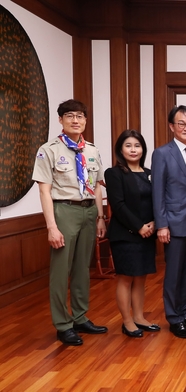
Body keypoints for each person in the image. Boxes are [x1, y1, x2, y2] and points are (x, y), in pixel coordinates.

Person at [32, 99, 108, 346]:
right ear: (61, 120)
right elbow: (44, 191)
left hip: (88, 212)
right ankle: (63, 325)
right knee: (60, 270)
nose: (75, 120)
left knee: (81, 269)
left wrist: (100, 217)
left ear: (85, 120)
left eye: (80, 116)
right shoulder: (49, 150)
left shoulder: (92, 150)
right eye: (70, 116)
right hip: (64, 211)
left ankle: (79, 317)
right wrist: (51, 227)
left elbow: (97, 186)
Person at [151, 105, 186, 339]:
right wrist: (162, 224)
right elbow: (158, 192)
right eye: (181, 123)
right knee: (173, 273)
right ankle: (173, 318)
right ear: (172, 126)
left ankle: (184, 313)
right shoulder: (162, 153)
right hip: (173, 223)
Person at [105, 130, 159, 338]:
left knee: (141, 278)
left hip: (148, 233)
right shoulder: (114, 173)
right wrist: (139, 227)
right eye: (128, 145)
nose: (133, 150)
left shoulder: (148, 172)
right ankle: (127, 321)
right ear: (120, 149)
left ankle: (139, 317)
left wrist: (154, 222)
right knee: (126, 278)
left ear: (143, 149)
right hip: (126, 234)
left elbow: (156, 200)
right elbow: (118, 205)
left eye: (137, 146)